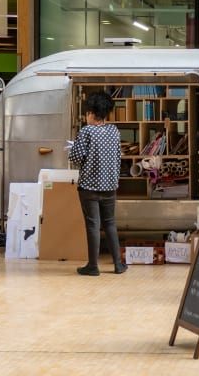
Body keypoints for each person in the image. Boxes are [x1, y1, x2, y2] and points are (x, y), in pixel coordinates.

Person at [68, 91, 125, 276]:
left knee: (93, 225)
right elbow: (118, 156)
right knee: (110, 223)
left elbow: (75, 157)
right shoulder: (114, 131)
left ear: (91, 113)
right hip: (110, 186)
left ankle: (93, 266)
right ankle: (118, 264)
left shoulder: (86, 131)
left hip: (89, 187)